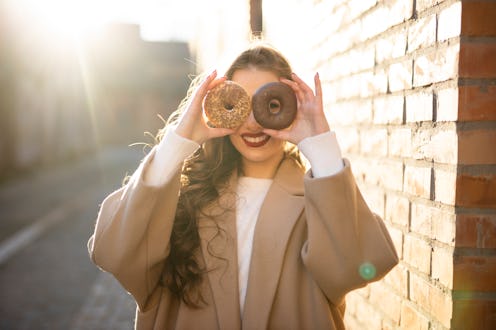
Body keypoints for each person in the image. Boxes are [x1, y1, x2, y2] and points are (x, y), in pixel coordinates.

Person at [88, 44, 398, 329]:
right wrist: (178, 143)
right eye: (239, 103)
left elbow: (360, 268)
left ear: (292, 106)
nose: (252, 122)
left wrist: (321, 149)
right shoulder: (180, 200)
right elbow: (113, 252)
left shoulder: (319, 201)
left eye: (270, 103)